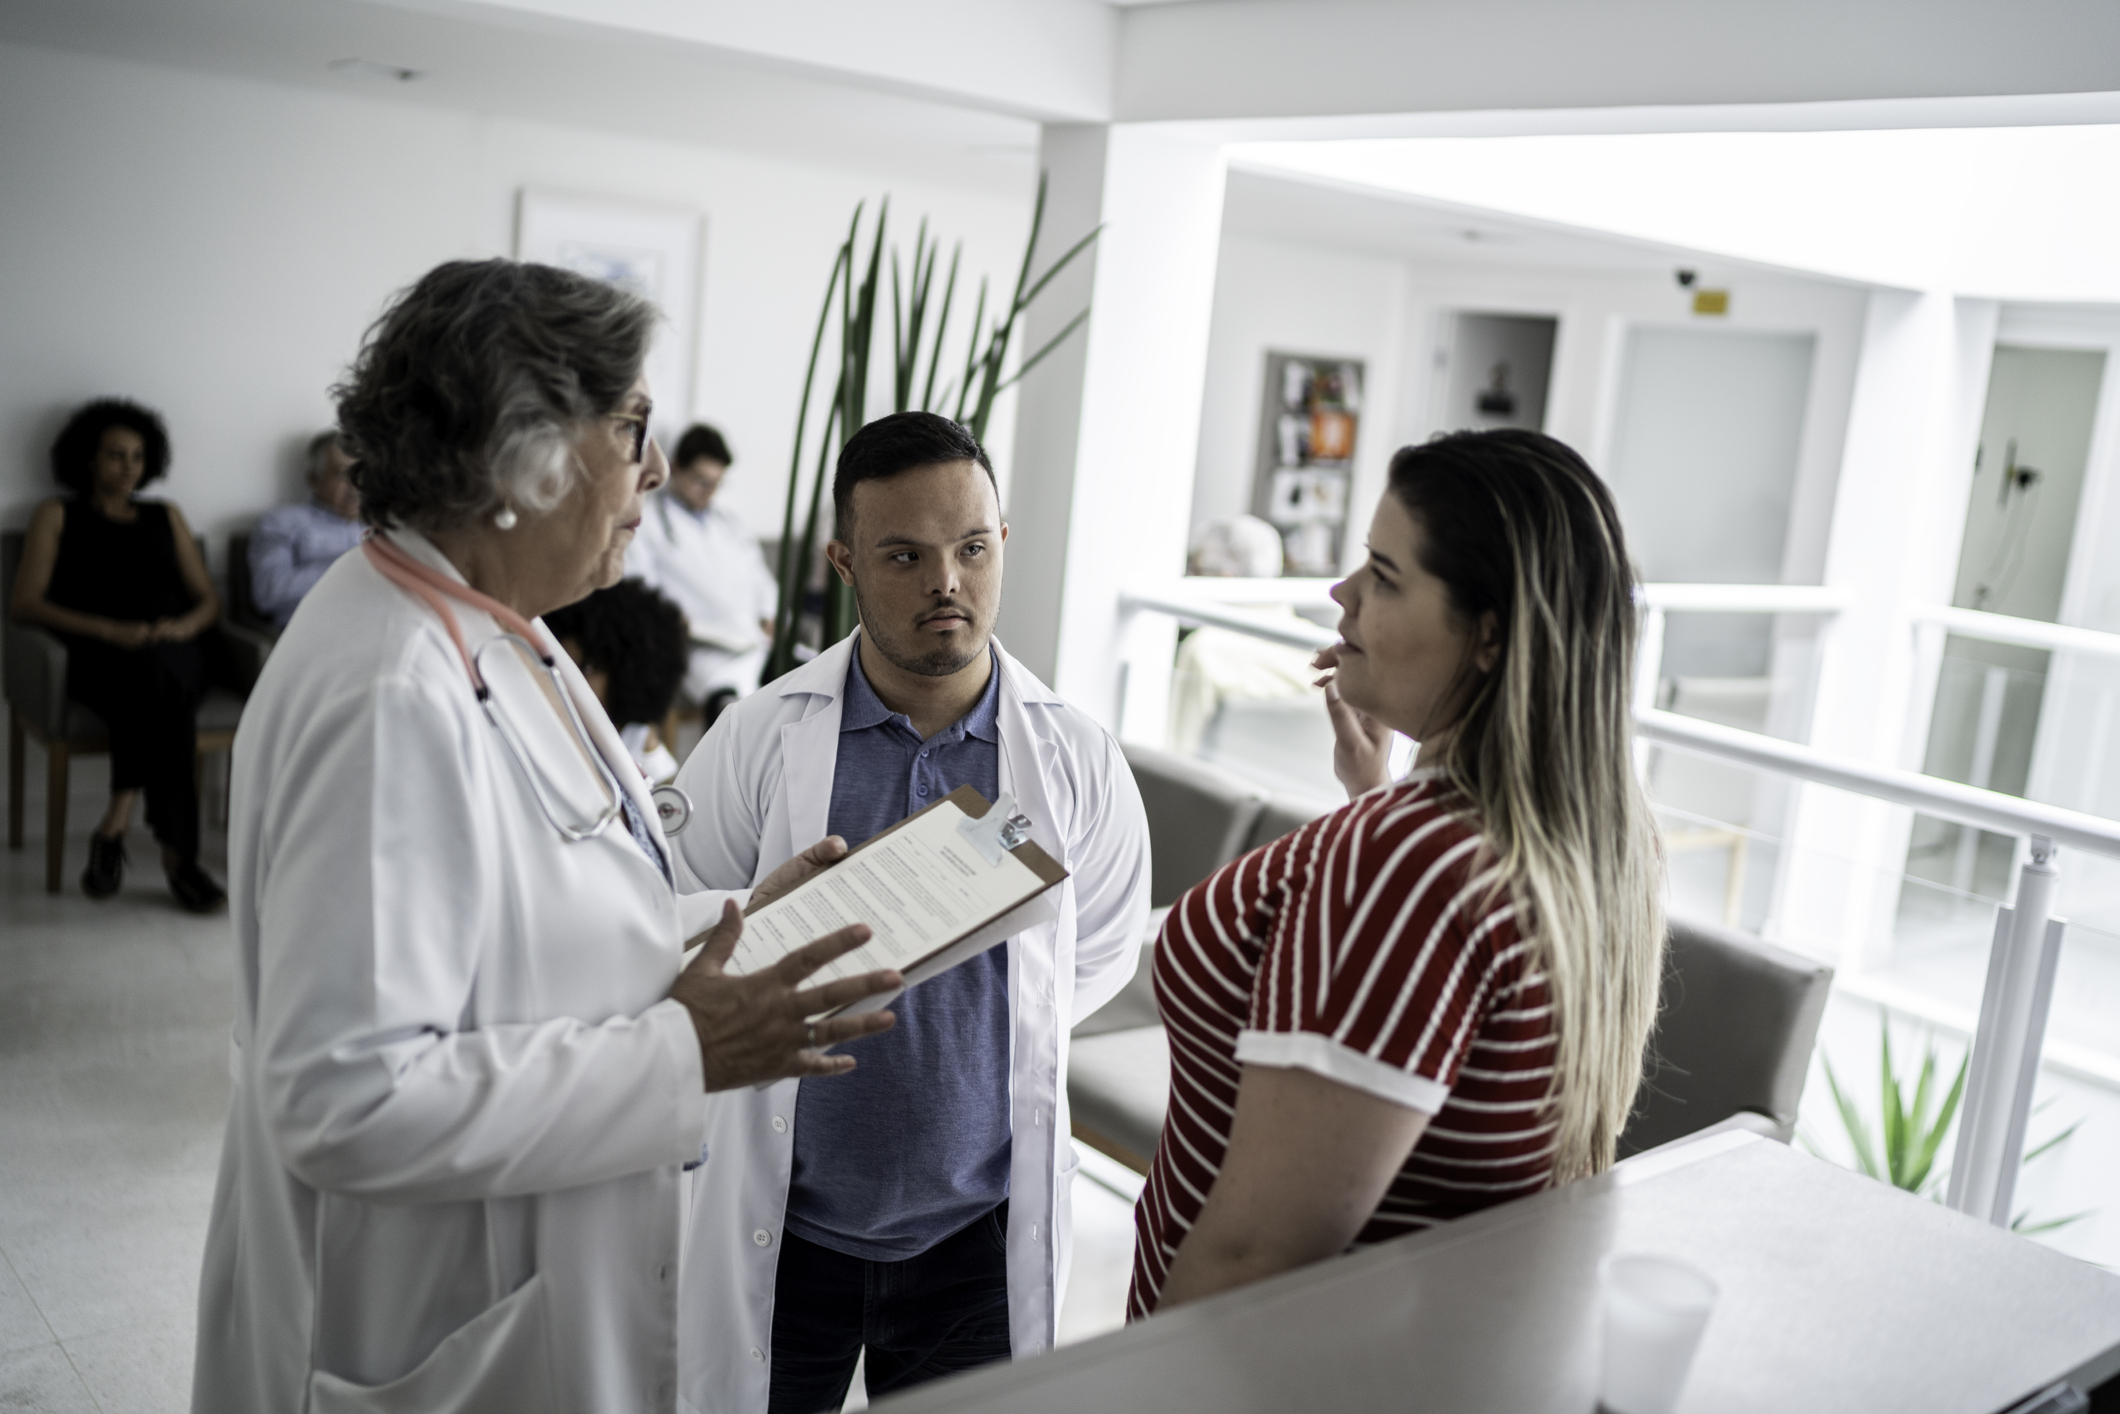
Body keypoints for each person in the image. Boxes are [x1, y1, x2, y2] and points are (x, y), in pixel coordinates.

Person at [191, 259, 905, 1414]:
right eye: (631, 426)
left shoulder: (495, 627)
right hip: (427, 1322)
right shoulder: (391, 688)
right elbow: (346, 1096)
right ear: (524, 452)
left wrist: (726, 925)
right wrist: (685, 1052)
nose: (658, 469)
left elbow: (532, 915)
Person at [671, 411, 1152, 1414]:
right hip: (786, 1225)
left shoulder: (1070, 756)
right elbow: (678, 923)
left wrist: (981, 1047)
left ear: (1001, 544)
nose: (946, 582)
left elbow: (1095, 947)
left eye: (971, 548)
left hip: (971, 1238)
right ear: (843, 561)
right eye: (905, 555)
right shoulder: (761, 737)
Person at [1129, 429, 1665, 1315]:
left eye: (1383, 575)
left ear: (1488, 636)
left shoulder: (1408, 864)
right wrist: (1373, 795)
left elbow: (1253, 1258)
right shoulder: (1604, 839)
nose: (1340, 596)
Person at [9, 397, 226, 911]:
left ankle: (115, 823)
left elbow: (208, 599)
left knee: (160, 674)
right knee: (157, 688)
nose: (128, 466)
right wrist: (110, 630)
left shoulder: (165, 515)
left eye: (137, 456)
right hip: (98, 655)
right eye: (115, 455)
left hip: (177, 647)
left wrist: (183, 626)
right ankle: (180, 863)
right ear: (88, 459)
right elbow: (25, 602)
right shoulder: (56, 514)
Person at [626, 422, 779, 719]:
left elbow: (760, 576)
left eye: (716, 483)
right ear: (675, 468)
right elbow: (639, 583)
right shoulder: (648, 521)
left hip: (752, 637)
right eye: (701, 481)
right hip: (698, 645)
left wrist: (768, 612)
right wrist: (669, 617)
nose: (708, 492)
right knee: (732, 703)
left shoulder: (728, 523)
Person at [1166, 514, 1321, 755]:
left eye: (1195, 569)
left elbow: (1175, 752)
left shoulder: (1205, 651)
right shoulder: (1319, 647)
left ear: (1224, 580)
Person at [545, 577, 691, 782]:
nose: (564, 680)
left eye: (586, 669)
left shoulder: (662, 790)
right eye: (558, 665)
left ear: (630, 678)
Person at [248, 429, 363, 628]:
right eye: (343, 475)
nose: (355, 486)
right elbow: (268, 593)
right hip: (314, 631)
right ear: (313, 479)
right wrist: (353, 566)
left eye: (361, 474)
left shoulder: (383, 524)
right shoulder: (281, 523)